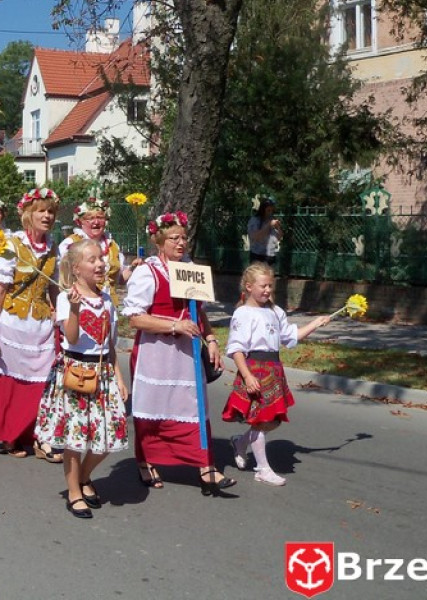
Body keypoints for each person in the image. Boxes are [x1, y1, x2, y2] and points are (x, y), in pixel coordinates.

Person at [122, 210, 234, 495]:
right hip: (154, 351)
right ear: (160, 241)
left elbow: (200, 311)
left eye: (184, 238)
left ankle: (205, 466)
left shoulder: (189, 268)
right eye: (174, 238)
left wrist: (211, 340)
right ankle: (145, 460)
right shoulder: (147, 272)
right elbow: (135, 318)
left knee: (193, 406)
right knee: (152, 408)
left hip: (186, 351)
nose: (181, 243)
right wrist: (174, 324)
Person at [36, 239, 129, 519]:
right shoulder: (67, 298)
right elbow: (72, 337)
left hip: (102, 374)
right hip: (75, 372)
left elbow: (109, 345)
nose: (100, 263)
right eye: (92, 260)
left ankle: (84, 477)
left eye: (101, 258)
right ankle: (74, 491)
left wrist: (120, 378)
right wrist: (75, 310)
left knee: (109, 434)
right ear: (76, 268)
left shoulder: (107, 300)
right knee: (74, 439)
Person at [223, 262, 330, 486]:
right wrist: (247, 376)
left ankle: (241, 443)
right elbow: (236, 349)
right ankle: (262, 469)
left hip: (273, 369)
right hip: (254, 369)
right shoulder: (243, 313)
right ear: (249, 286)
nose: (267, 290)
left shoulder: (276, 311)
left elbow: (290, 337)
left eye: (270, 286)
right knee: (261, 421)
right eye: (263, 286)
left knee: (272, 421)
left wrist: (315, 324)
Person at [0, 187, 62, 461]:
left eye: (50, 211)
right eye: (41, 211)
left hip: (41, 325)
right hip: (13, 323)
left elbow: (53, 289)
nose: (47, 216)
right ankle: (11, 433)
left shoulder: (52, 247)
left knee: (42, 380)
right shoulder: (11, 246)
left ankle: (38, 435)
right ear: (28, 214)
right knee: (11, 382)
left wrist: (61, 318)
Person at [58, 197, 142, 305]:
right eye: (90, 218)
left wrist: (133, 268)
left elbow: (118, 279)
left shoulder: (112, 245)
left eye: (100, 217)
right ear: (80, 222)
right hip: (80, 303)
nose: (96, 222)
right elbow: (62, 277)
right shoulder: (71, 244)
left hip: (109, 304)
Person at [247, 197, 282, 266]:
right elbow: (255, 237)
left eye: (272, 210)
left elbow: (279, 238)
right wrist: (268, 225)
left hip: (269, 255)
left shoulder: (272, 220)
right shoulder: (255, 220)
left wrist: (278, 228)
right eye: (268, 210)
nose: (270, 213)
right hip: (257, 255)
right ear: (263, 209)